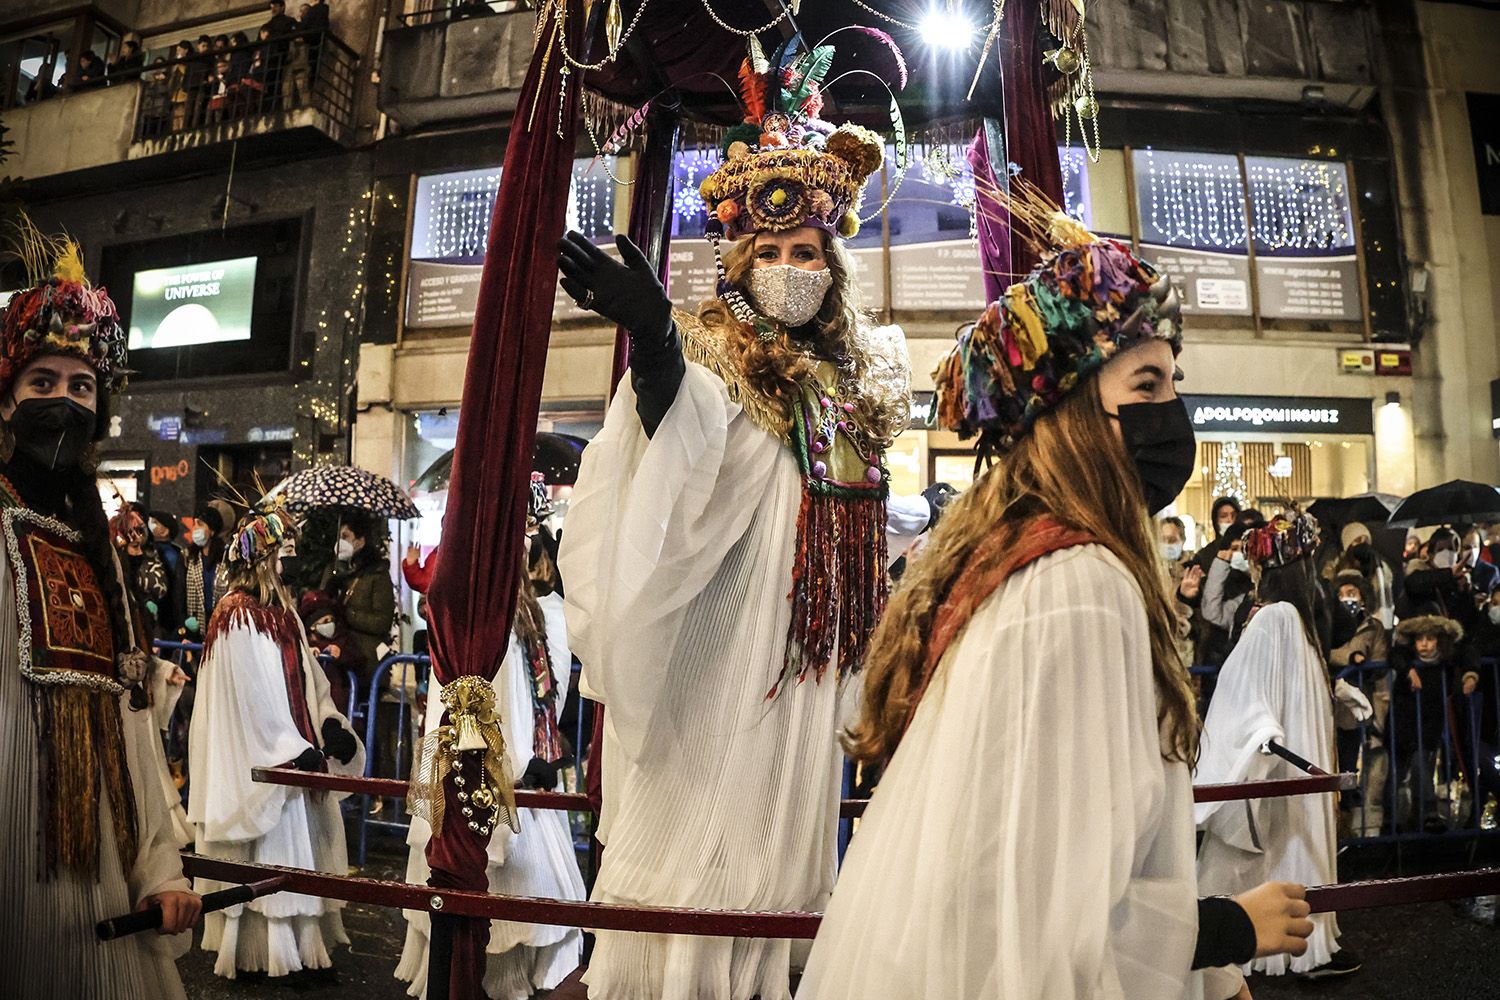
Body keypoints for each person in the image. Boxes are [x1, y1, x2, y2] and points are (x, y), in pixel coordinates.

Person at [797, 200, 1311, 1000]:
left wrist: (1208, 976)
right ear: (1069, 408)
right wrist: (1225, 931)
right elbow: (1045, 912)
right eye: (1148, 381)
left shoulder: (1029, 560)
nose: (1173, 408)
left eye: (1174, 380)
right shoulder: (1080, 586)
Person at [557, 79, 935, 998]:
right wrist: (653, 339)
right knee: (704, 844)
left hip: (813, 672)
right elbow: (678, 439)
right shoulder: (714, 363)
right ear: (739, 256)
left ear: (834, 263)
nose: (792, 264)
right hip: (722, 664)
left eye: (809, 250)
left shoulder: (848, 392)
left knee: (784, 855)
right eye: (771, 249)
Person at [0, 231, 201, 998]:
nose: (64, 402)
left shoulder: (100, 555)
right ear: (7, 400)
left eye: (82, 388)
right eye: (42, 381)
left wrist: (159, 868)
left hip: (103, 882)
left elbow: (133, 726)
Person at [396, 482, 585, 1000]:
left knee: (536, 907)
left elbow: (541, 692)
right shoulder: (474, 610)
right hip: (489, 778)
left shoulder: (535, 610)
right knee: (506, 903)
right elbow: (468, 704)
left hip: (528, 777)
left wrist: (543, 751)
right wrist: (518, 765)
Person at [188, 503, 364, 979]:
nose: (288, 552)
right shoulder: (234, 614)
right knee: (272, 854)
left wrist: (327, 722)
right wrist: (287, 747)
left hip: (296, 747)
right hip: (268, 760)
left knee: (300, 855)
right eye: (280, 545)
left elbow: (306, 680)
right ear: (260, 556)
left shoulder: (281, 610)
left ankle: (305, 951)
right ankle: (265, 955)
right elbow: (248, 695)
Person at [1196, 508, 1361, 979]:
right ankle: (1292, 947)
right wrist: (1261, 729)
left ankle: (1300, 943)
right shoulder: (1279, 618)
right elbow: (1243, 685)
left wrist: (1333, 696)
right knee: (1283, 840)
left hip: (1295, 752)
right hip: (1285, 757)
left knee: (1292, 839)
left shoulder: (1287, 618)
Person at [1388, 614, 1474, 833]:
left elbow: (1468, 653)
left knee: (1422, 764)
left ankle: (1421, 816)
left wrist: (1471, 674)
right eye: (1419, 639)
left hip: (1430, 722)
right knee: (1402, 769)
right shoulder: (1407, 658)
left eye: (1430, 638)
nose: (1424, 644)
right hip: (1404, 721)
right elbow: (1395, 654)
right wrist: (1408, 670)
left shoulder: (1444, 662)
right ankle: (1411, 817)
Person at [299, 589, 363, 715]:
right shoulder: (303, 644)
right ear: (312, 626)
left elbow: (358, 661)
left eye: (331, 620)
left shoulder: (342, 641)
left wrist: (341, 655)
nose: (330, 625)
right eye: (325, 621)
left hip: (337, 706)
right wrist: (306, 653)